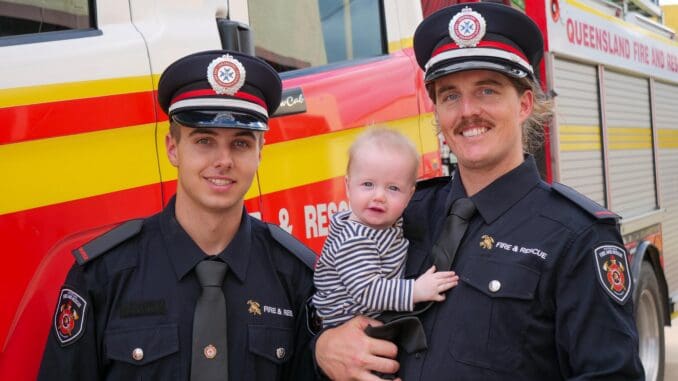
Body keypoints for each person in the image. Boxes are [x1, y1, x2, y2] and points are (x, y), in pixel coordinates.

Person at [315, 3, 645, 380]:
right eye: (450, 95)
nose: (467, 111)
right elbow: (331, 293)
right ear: (437, 112)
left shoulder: (577, 236)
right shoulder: (404, 211)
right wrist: (324, 346)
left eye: (487, 90)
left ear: (523, 104)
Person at [38, 50, 317, 380]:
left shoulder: (297, 277)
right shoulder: (104, 275)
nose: (223, 160)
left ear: (261, 152)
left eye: (241, 144)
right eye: (204, 141)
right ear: (173, 148)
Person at [312, 128, 458, 328]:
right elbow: (367, 292)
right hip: (345, 325)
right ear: (348, 186)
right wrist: (416, 290)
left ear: (409, 196)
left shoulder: (386, 224)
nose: (379, 196)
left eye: (393, 188)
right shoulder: (354, 239)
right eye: (368, 184)